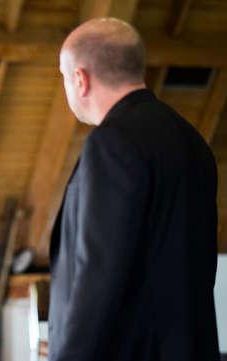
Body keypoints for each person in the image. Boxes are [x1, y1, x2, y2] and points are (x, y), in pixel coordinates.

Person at [48, 17, 220, 361]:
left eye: (65, 77)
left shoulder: (112, 142)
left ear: (80, 79)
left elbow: (101, 270)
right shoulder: (193, 140)